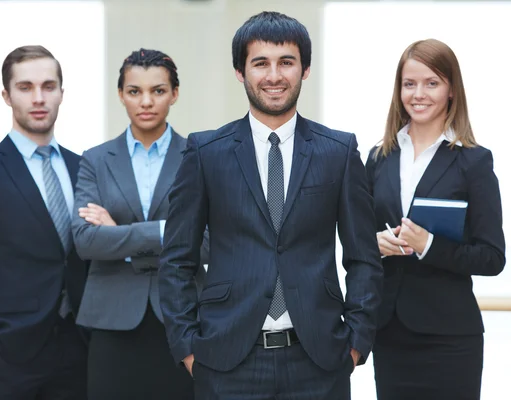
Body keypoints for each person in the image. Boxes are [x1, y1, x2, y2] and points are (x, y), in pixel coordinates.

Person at [158, 11, 383, 399]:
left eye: (287, 62)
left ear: (305, 69)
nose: (274, 76)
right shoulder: (205, 152)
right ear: (240, 72)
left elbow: (364, 257)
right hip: (226, 361)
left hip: (320, 360)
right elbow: (177, 258)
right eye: (260, 63)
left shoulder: (339, 152)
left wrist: (356, 344)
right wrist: (189, 348)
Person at [366, 38, 506, 400]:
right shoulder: (378, 158)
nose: (418, 94)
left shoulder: (473, 162)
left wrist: (427, 245)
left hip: (450, 340)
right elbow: (358, 236)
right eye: (409, 83)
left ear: (451, 91)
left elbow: (492, 257)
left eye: (432, 83)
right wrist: (372, 245)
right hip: (389, 334)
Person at [0, 45, 88, 399]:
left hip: (79, 354)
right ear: (7, 96)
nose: (38, 98)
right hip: (7, 360)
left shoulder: (83, 167)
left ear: (61, 93)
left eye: (48, 86)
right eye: (25, 88)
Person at [72, 48, 206, 399]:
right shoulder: (96, 161)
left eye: (158, 91)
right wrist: (169, 231)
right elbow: (86, 241)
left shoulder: (200, 157)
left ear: (174, 94)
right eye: (134, 91)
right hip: (111, 321)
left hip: (183, 318)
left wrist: (117, 234)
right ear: (121, 95)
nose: (146, 101)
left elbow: (210, 241)